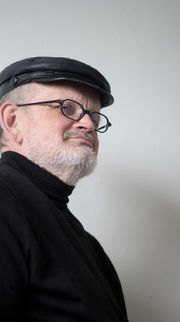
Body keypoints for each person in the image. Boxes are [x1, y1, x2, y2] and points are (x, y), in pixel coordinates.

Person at [0, 56, 129, 321]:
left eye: (94, 115)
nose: (89, 124)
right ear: (13, 120)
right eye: (67, 108)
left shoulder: (88, 244)